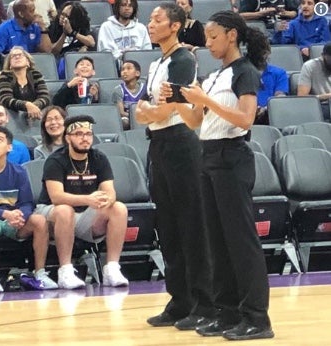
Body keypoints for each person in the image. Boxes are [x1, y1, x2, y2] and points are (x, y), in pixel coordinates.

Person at [173, 10, 274, 340]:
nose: (209, 43)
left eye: (214, 36)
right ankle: (227, 313)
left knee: (240, 241)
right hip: (209, 155)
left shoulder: (244, 71)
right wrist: (181, 103)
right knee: (216, 241)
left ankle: (257, 318)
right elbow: (194, 123)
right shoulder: (216, 75)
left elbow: (245, 119)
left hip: (233, 157)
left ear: (232, 35)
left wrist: (205, 100)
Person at [135, 2, 215, 332]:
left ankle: (203, 303)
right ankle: (179, 299)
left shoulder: (183, 59)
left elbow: (171, 108)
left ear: (175, 25)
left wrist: (149, 112)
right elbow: (146, 111)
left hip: (182, 145)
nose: (150, 24)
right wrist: (150, 112)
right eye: (150, 19)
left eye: (157, 19)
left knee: (191, 226)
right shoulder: (158, 63)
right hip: (160, 146)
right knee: (168, 227)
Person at [35, 115, 129, 289]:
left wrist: (107, 199)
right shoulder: (55, 160)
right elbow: (57, 197)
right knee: (65, 210)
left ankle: (112, 269)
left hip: (85, 214)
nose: (85, 138)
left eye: (88, 134)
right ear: (68, 137)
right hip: (51, 212)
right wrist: (88, 199)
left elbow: (110, 191)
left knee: (119, 208)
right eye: (78, 134)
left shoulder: (99, 158)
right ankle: (65, 271)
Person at [0, 126, 58, 292]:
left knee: (39, 220)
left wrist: (20, 216)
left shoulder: (19, 172)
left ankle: (40, 273)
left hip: (12, 221)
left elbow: (27, 202)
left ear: (9, 147)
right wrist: (5, 214)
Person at [0, 46, 50, 120]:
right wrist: (26, 105)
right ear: (10, 65)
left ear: (28, 62)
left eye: (20, 55)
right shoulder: (5, 76)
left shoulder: (36, 75)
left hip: (35, 116)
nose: (17, 57)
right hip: (13, 118)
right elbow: (5, 98)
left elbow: (45, 97)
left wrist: (33, 107)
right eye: (13, 56)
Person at [49, 1, 95, 79]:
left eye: (66, 16)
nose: (62, 17)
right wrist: (64, 33)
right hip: (61, 59)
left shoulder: (81, 26)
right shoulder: (54, 26)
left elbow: (91, 42)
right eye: (62, 14)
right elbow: (53, 51)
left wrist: (72, 33)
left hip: (78, 58)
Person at [297, 42, 331, 122]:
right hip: (321, 105)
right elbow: (301, 97)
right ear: (323, 56)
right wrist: (327, 96)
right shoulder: (310, 66)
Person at [111, 59, 146, 130]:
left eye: (129, 68)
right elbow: (121, 112)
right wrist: (134, 117)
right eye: (122, 69)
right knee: (124, 122)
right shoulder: (118, 90)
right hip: (127, 117)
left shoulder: (145, 89)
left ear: (137, 73)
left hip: (143, 116)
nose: (124, 72)